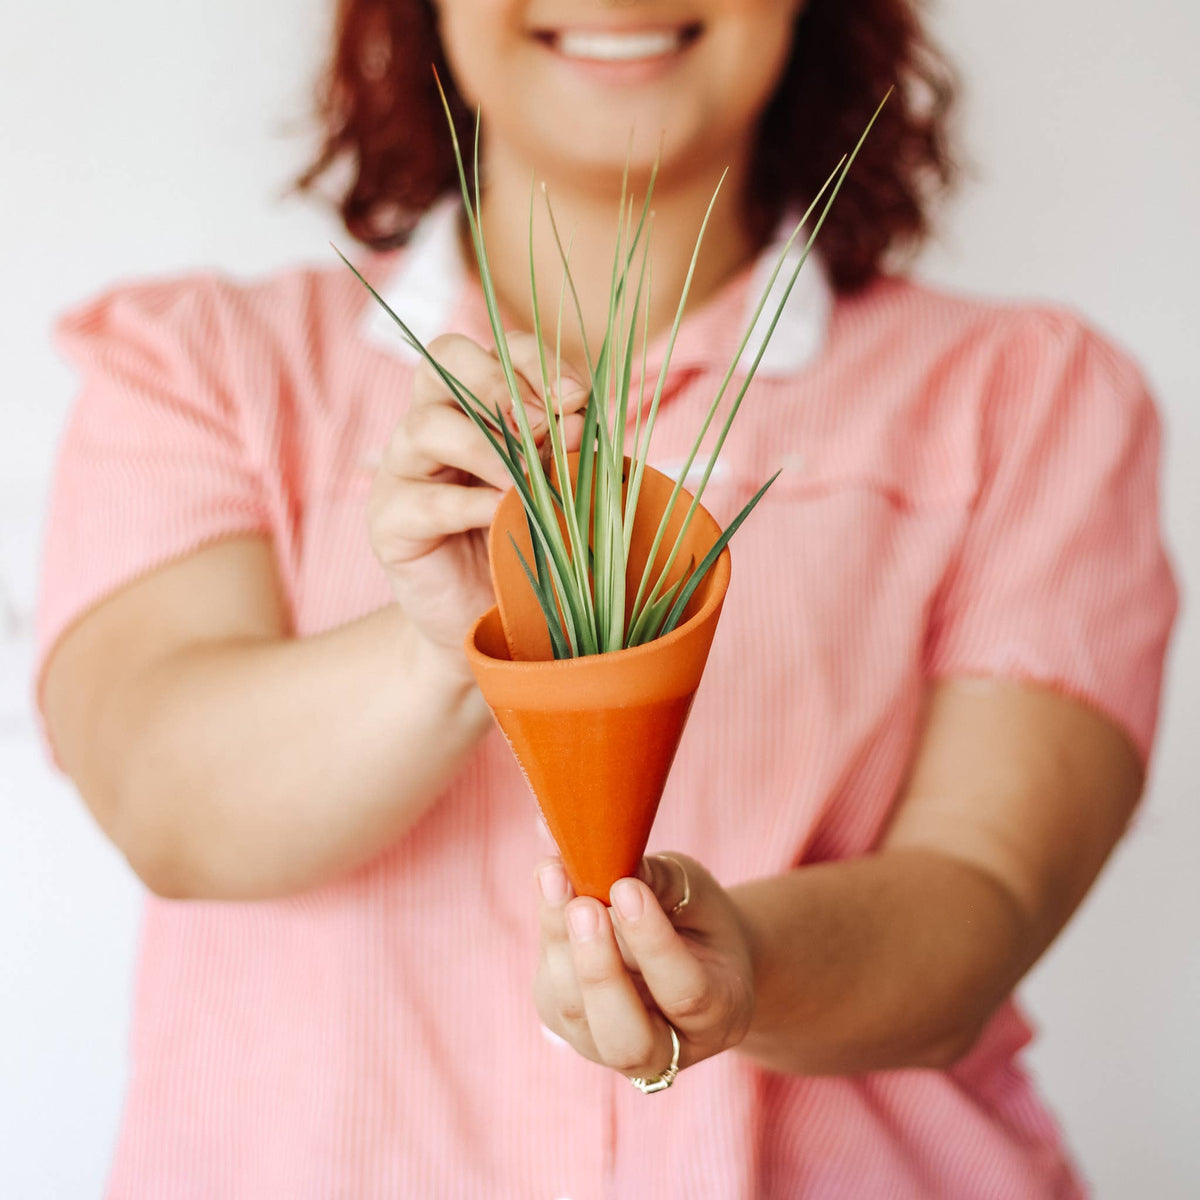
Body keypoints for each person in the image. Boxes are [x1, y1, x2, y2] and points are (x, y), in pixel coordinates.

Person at [36, 0, 1176, 1196]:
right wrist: (456, 642)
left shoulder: (1032, 400)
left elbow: (982, 897)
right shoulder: (204, 367)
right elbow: (166, 799)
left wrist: (745, 972)